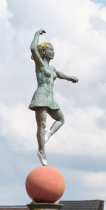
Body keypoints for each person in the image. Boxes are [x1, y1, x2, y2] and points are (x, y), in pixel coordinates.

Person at [28, 29, 79, 165]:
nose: (53, 52)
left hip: (50, 99)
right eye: (51, 49)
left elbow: (60, 74)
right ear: (45, 52)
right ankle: (42, 151)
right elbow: (33, 48)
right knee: (42, 125)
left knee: (61, 119)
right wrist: (37, 34)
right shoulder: (40, 64)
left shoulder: (53, 69)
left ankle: (48, 134)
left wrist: (70, 78)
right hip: (40, 97)